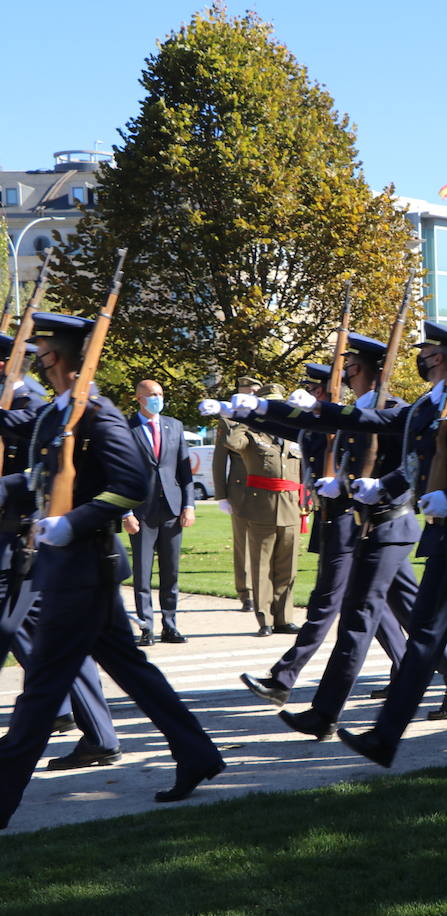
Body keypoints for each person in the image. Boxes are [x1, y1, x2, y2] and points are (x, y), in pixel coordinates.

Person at [273, 320, 447, 763]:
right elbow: (372, 421)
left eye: (425, 351)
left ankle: (385, 736)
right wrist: (381, 485)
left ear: (441, 356)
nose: (419, 357)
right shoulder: (430, 405)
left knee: (424, 634)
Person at [0, 313, 223, 830]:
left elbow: (132, 486)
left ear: (57, 357)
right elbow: (38, 474)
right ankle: (197, 754)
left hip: (81, 567)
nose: (36, 359)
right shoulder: (60, 414)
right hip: (75, 571)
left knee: (40, 691)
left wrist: (72, 524)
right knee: (134, 672)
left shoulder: (98, 415)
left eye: (42, 351)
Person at [226, 332, 447, 736]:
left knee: (357, 617)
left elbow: (414, 466)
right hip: (367, 526)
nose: (347, 374)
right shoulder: (357, 410)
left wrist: (376, 488)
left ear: (375, 370)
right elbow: (312, 426)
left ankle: (322, 711)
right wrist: (251, 410)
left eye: (354, 367)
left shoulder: (400, 411)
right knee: (407, 611)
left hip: (388, 522)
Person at [0, 332, 122, 771]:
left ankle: (66, 723)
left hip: (30, 532)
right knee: (42, 637)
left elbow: (47, 464)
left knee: (31, 632)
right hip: (24, 533)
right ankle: (74, 722)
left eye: (44, 353)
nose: (39, 359)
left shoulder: (33, 397)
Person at [221, 383, 304, 636]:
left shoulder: (292, 433)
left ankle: (284, 618)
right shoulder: (251, 432)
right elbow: (231, 443)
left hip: (291, 505)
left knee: (287, 567)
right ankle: (265, 619)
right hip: (260, 507)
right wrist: (248, 418)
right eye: (271, 405)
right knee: (261, 567)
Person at [124, 380, 195, 645]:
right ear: (139, 398)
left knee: (171, 572)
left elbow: (185, 471)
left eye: (160, 394)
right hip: (141, 513)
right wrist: (126, 513)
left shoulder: (174, 426)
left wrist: (189, 506)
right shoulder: (126, 428)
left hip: (172, 510)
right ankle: (146, 627)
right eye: (152, 395)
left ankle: (170, 624)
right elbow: (119, 474)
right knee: (142, 574)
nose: (157, 398)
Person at [212, 375, 260, 615]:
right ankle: (246, 593)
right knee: (243, 545)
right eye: (245, 392)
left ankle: (266, 592)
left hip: (265, 490)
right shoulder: (227, 421)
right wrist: (221, 495)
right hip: (240, 490)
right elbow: (219, 461)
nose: (249, 396)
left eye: (253, 392)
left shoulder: (266, 417)